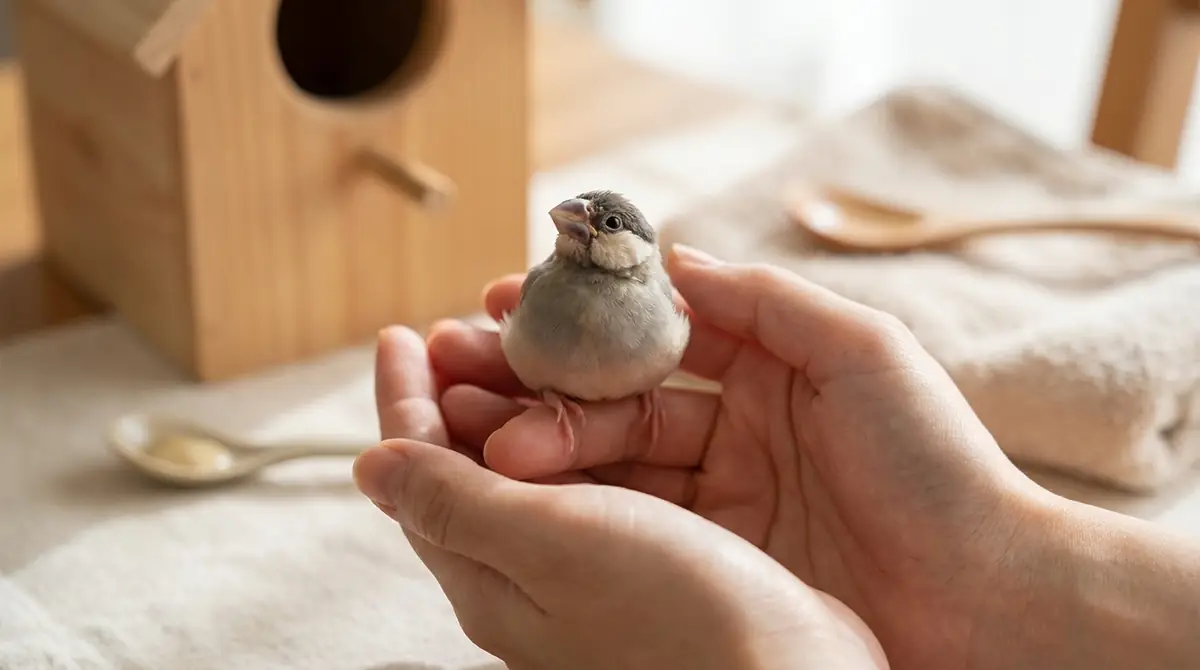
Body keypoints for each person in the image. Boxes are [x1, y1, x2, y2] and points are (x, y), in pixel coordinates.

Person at [353, 244, 1200, 670]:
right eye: (575, 223)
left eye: (603, 226)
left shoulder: (659, 300)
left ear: (633, 247)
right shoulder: (547, 288)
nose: (576, 232)